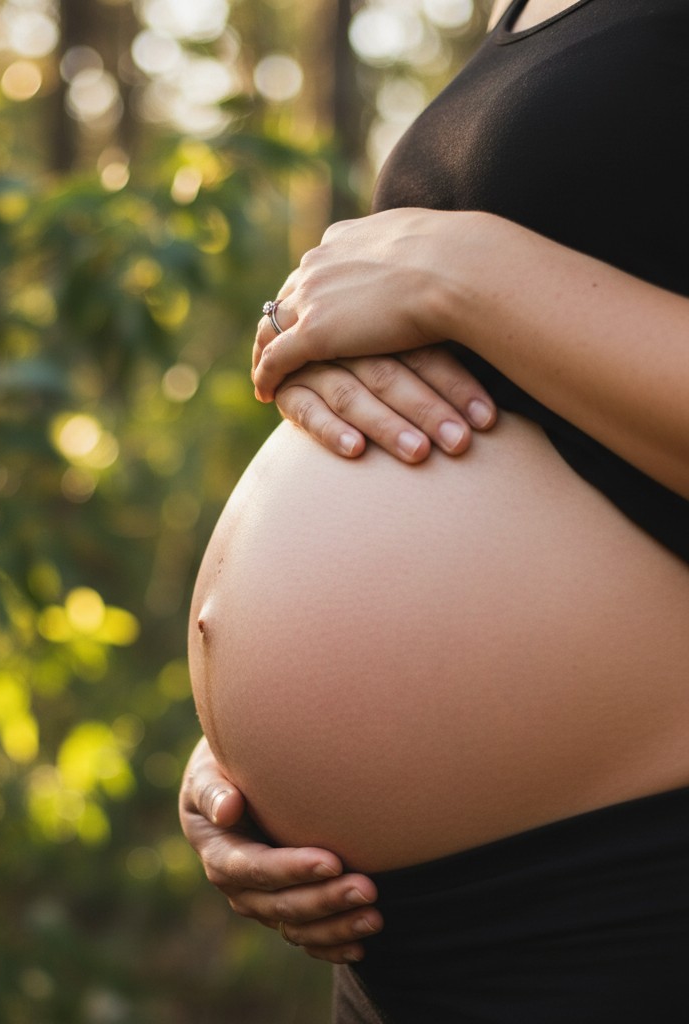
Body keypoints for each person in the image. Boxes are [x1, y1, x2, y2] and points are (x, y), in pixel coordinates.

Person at [180, 0, 689, 1020]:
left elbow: (477, 286)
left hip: (629, 895)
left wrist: (465, 273)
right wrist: (243, 766)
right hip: (405, 939)